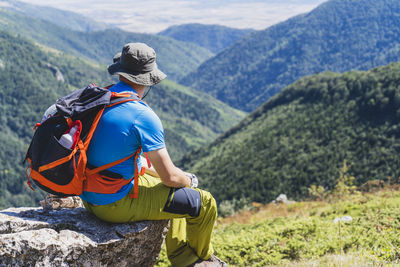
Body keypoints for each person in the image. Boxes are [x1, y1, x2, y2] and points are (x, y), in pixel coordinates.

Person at [79, 43, 227, 267]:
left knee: (174, 189)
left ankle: (182, 255)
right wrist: (189, 181)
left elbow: (134, 163)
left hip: (89, 195)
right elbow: (170, 178)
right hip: (114, 204)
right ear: (147, 80)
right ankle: (200, 259)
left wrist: (178, 181)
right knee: (204, 203)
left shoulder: (102, 99)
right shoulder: (142, 116)